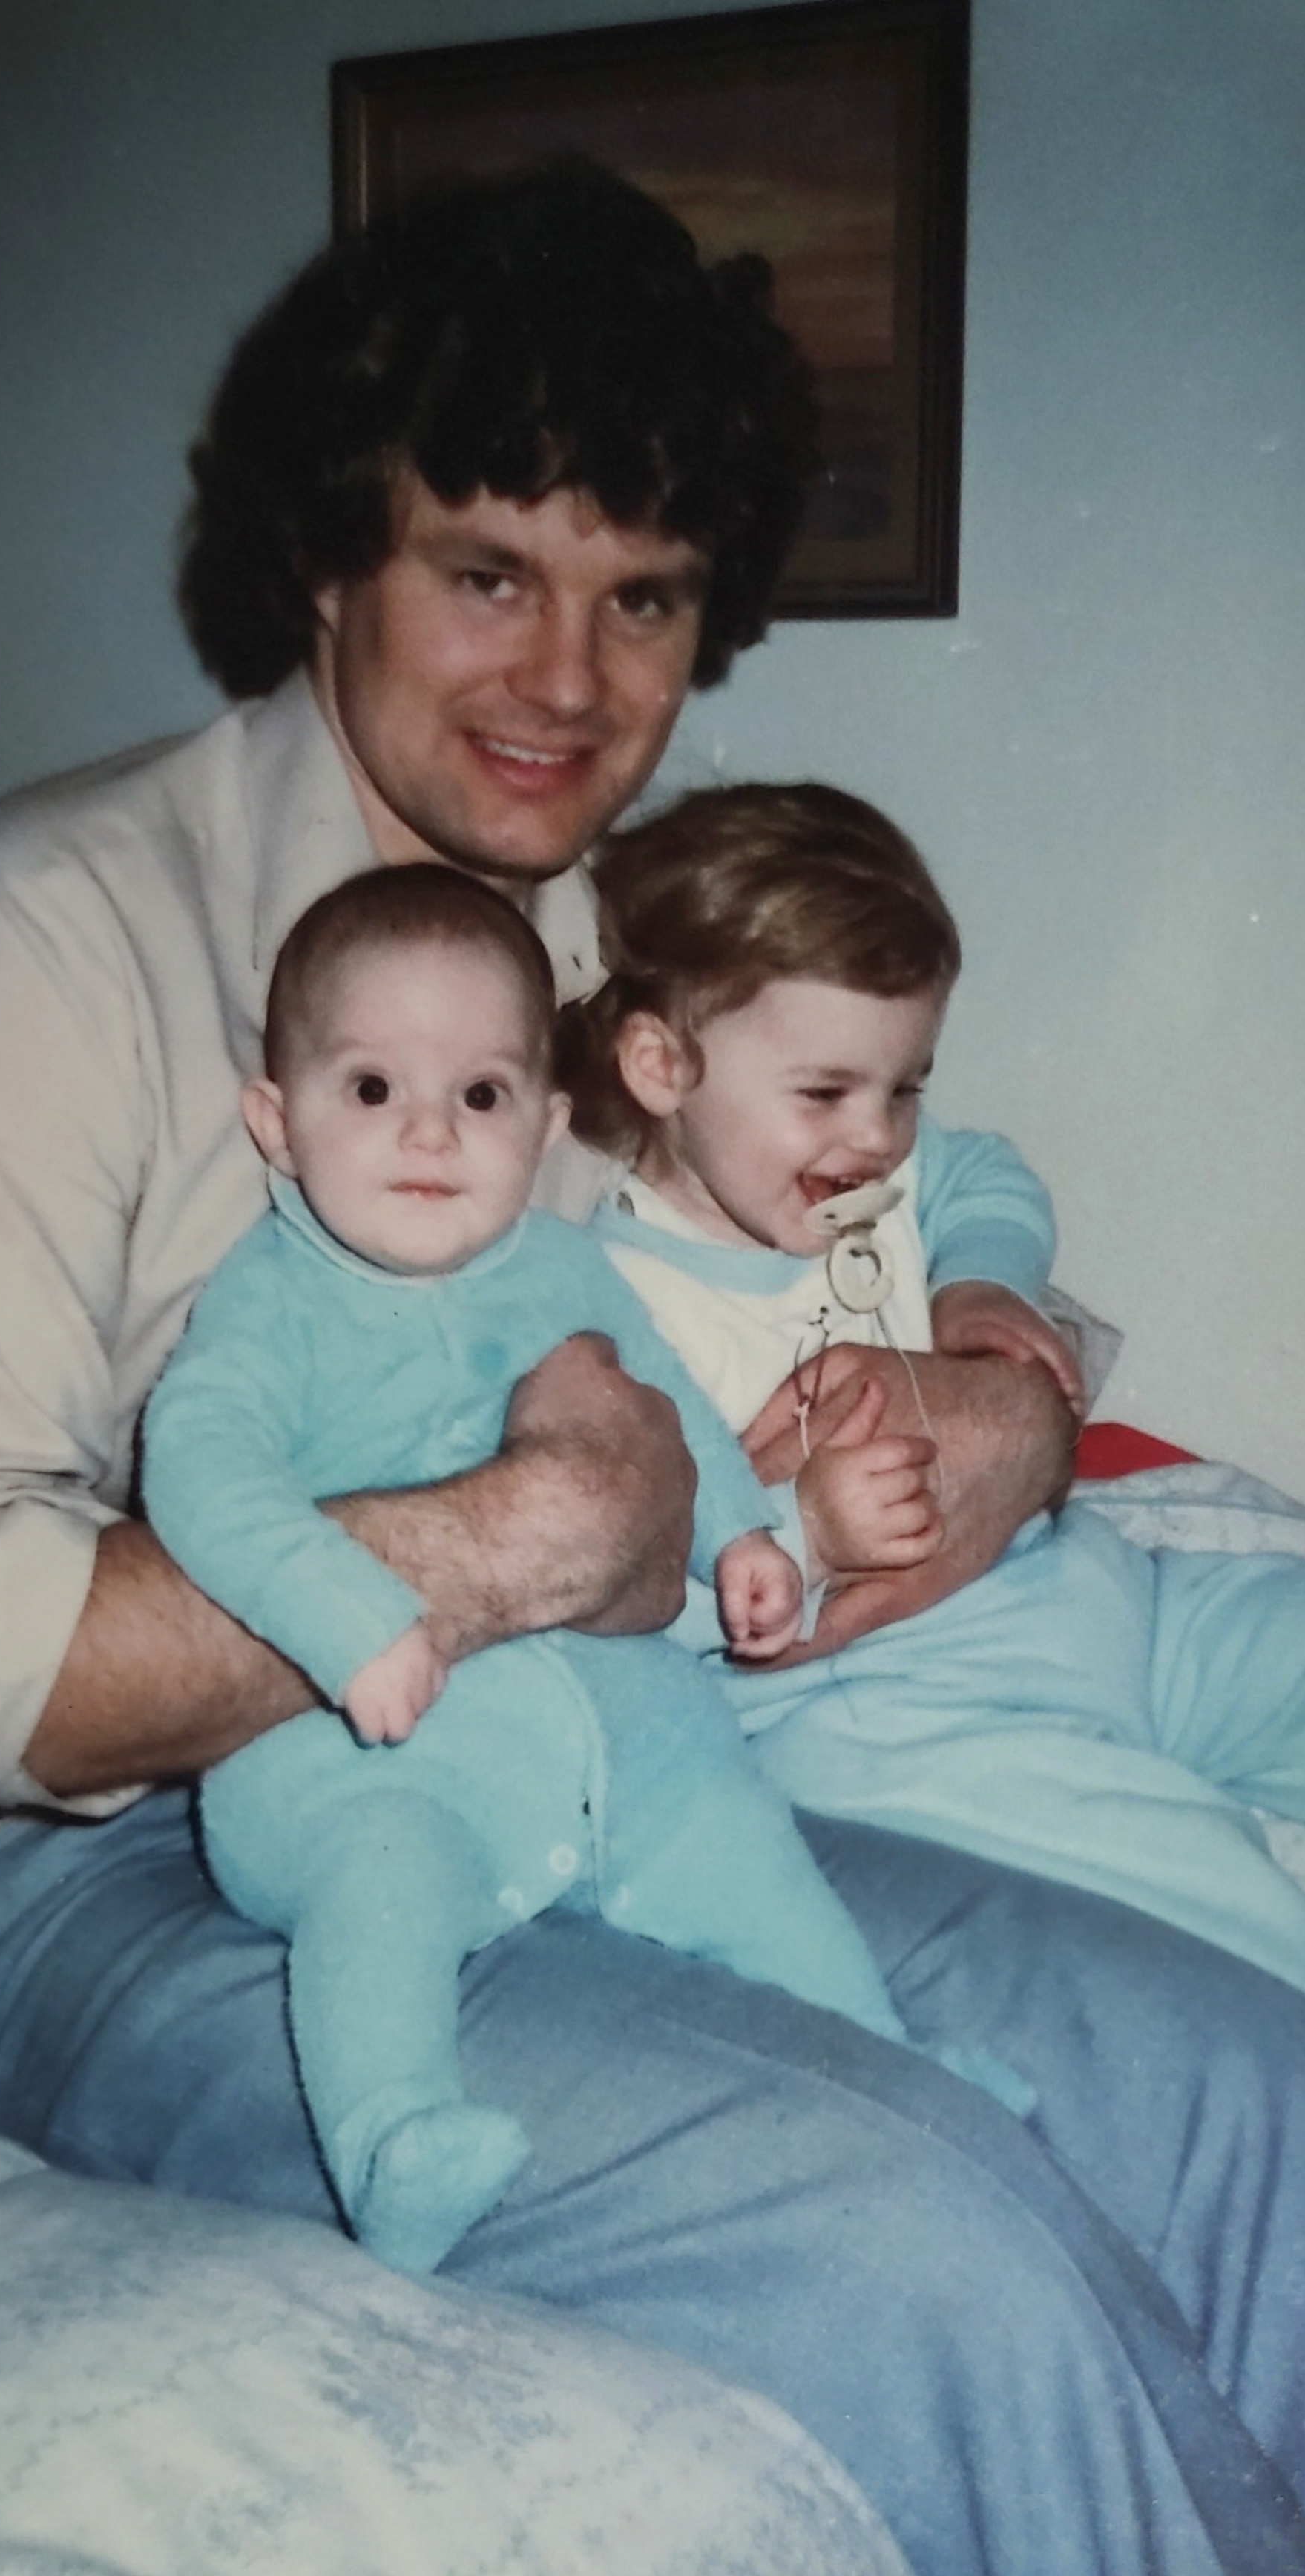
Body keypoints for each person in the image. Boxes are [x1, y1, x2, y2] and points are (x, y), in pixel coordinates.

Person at [0, 163, 1305, 2576]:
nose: (570, 682)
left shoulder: (605, 953)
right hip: (47, 1875)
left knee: (1254, 2091)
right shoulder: (52, 931)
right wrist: (502, 1543)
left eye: (645, 599)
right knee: (918, 2243)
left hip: (582, 1758)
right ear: (328, 561)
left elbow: (870, 1206)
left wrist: (1007, 1389)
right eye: (487, 572)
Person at [139, 862, 941, 2274]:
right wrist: (347, 1617)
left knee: (743, 1838)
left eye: (482, 1094)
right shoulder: (270, 1304)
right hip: (362, 1756)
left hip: (608, 1739)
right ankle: (396, 2139)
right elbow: (201, 1476)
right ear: (277, 1121)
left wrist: (741, 1533)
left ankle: (890, 2063)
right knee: (377, 1887)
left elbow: (666, 1399)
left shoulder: (561, 1266)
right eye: (371, 1089)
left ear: (547, 1125)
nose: (430, 1132)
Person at [565, 779, 1305, 2080]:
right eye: (826, 1091)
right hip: (895, 1703)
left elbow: (984, 1172)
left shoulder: (876, 1170)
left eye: (904, 1087)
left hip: (1084, 1583)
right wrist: (802, 1533)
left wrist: (981, 1282)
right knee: (1231, 1923)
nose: (875, 1136)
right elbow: (607, 1599)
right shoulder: (607, 1308)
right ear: (660, 1065)